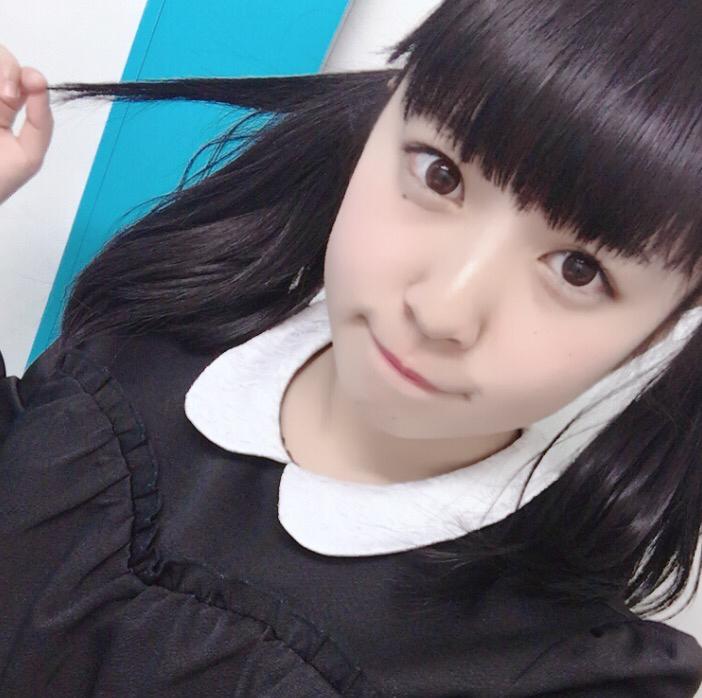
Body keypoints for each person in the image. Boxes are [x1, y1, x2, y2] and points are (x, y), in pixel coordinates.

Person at [2, 0, 702, 694]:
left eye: (578, 271)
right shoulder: (160, 329)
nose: (441, 309)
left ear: (668, 328)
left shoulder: (563, 677)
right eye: (440, 174)